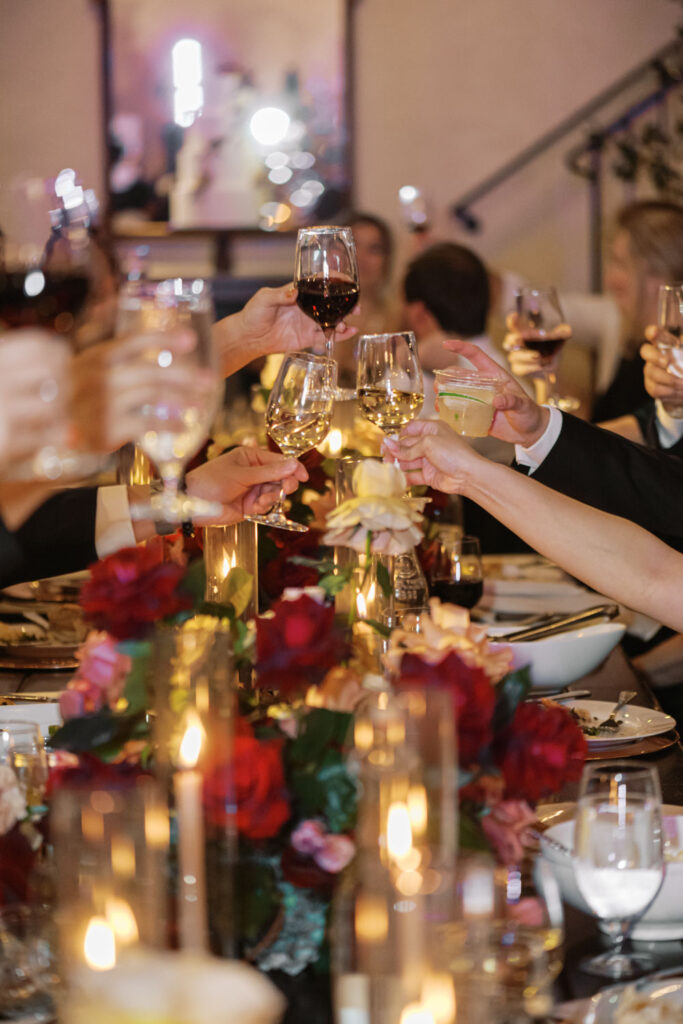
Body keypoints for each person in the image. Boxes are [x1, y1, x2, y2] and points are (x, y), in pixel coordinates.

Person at [505, 200, 683, 431]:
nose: (609, 280)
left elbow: (634, 449)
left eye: (620, 264)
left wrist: (540, 431)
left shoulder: (672, 360)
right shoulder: (635, 342)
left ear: (656, 275)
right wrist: (547, 379)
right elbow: (597, 429)